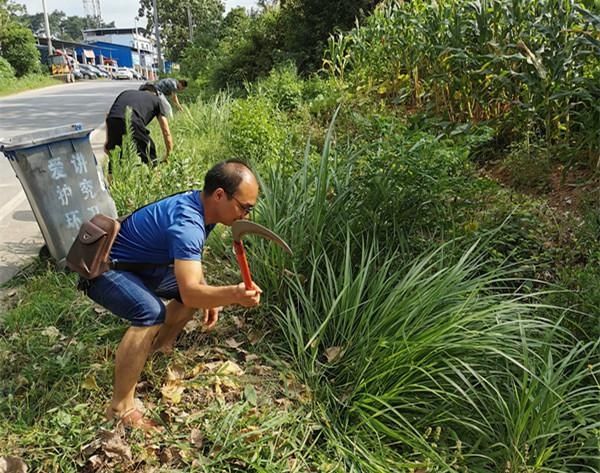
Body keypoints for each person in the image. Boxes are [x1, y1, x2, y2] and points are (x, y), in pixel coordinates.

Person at [81, 160, 262, 430]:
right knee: (150, 313)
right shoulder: (188, 223)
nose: (245, 216)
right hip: (104, 270)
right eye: (244, 207)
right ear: (220, 195)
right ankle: (120, 407)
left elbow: (191, 274)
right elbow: (191, 293)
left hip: (138, 265)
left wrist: (209, 294)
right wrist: (232, 294)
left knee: (193, 296)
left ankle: (157, 349)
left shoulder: (202, 207)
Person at [104, 84, 173, 167]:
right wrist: (169, 153)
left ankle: (112, 178)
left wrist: (108, 141)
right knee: (149, 153)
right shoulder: (156, 99)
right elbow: (166, 131)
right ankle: (155, 175)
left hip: (113, 120)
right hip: (133, 120)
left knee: (115, 160)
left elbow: (108, 116)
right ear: (155, 93)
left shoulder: (125, 93)